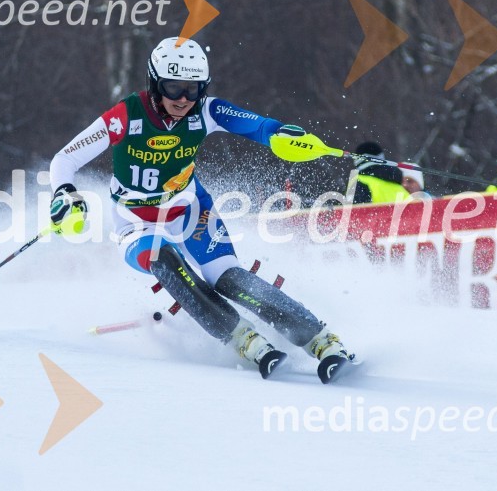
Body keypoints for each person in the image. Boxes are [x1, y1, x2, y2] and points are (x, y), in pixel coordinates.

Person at [48, 37, 353, 383]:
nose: (182, 99)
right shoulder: (126, 116)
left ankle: (322, 341)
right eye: (173, 88)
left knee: (229, 278)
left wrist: (282, 135)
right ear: (154, 83)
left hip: (191, 209)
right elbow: (65, 159)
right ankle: (245, 341)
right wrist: (65, 194)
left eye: (192, 91)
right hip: (135, 221)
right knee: (164, 261)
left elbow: (257, 125)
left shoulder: (207, 111)